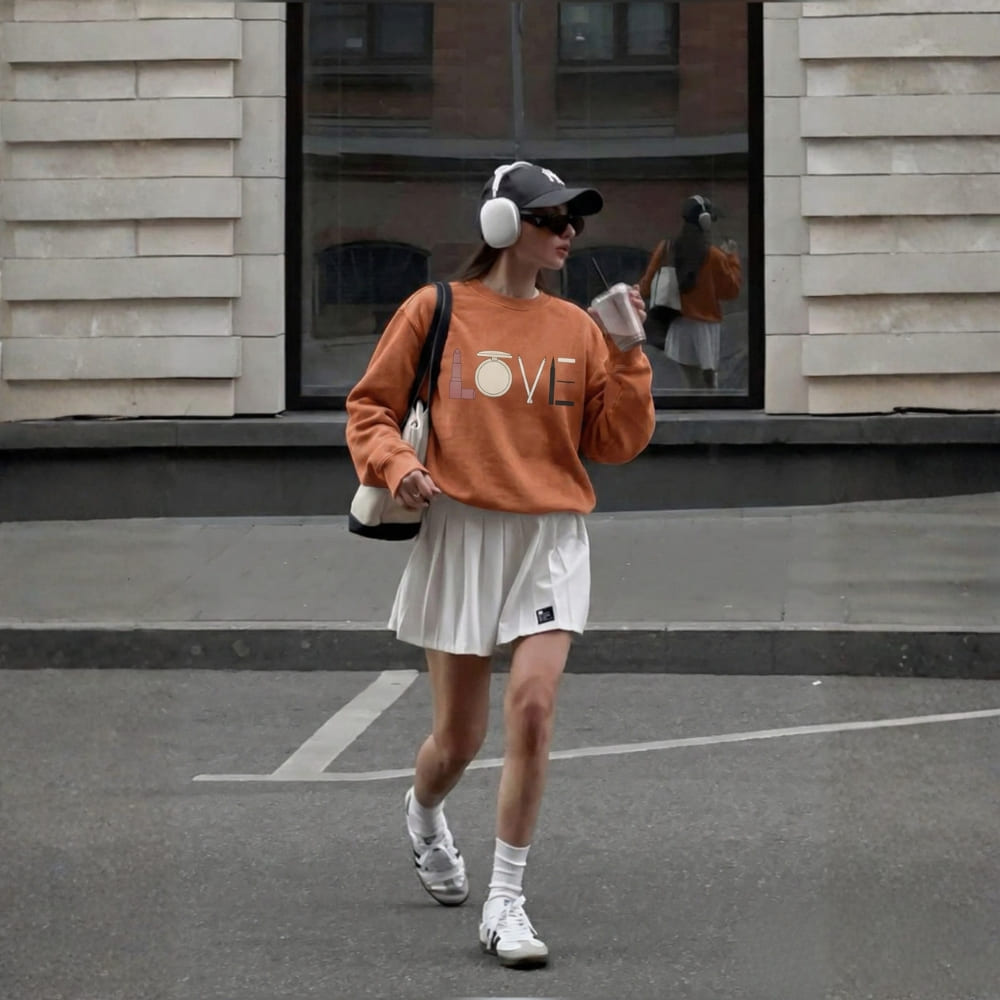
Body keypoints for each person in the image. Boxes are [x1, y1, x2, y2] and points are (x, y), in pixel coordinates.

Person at [345, 161, 655, 969]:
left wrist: (627, 354)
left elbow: (615, 443)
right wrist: (395, 466)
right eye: (552, 219)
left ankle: (506, 902)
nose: (568, 233)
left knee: (533, 708)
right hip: (463, 531)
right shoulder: (435, 310)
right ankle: (422, 815)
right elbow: (371, 407)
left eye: (573, 221)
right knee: (457, 739)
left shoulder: (577, 329)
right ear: (501, 225)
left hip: (551, 536)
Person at [639, 194, 742, 389]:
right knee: (708, 385)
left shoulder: (667, 248)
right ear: (705, 221)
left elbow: (646, 286)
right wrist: (732, 259)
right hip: (706, 327)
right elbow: (731, 290)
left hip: (677, 324)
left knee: (682, 382)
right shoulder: (714, 256)